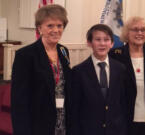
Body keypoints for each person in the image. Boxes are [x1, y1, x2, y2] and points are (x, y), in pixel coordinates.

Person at [11, 4, 71, 135]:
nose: (56, 30)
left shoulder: (63, 51)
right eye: (50, 25)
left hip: (62, 119)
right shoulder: (25, 55)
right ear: (39, 28)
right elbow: (19, 100)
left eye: (59, 25)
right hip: (38, 122)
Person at [70, 24, 128, 135]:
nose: (102, 43)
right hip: (89, 130)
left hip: (115, 130)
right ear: (89, 43)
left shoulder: (121, 69)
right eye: (97, 39)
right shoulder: (78, 71)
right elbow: (75, 108)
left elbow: (123, 103)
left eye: (106, 40)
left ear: (112, 44)